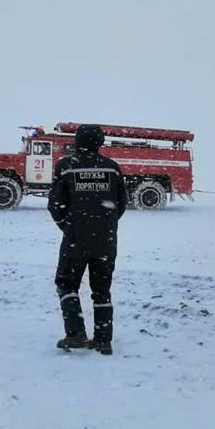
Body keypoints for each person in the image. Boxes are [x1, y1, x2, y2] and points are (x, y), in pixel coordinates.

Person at [48, 124, 128, 355]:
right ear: (100, 142)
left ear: (77, 142)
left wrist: (70, 226)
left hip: (76, 239)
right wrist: (106, 224)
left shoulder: (66, 166)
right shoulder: (112, 168)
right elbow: (121, 203)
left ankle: (76, 334)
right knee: (102, 290)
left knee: (66, 284)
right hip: (106, 240)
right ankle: (103, 339)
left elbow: (55, 205)